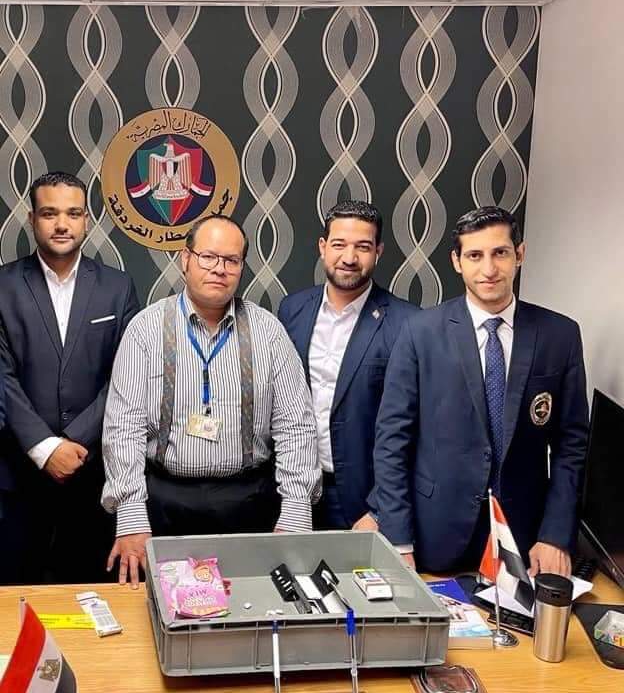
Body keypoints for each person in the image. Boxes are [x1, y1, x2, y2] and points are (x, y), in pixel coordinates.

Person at [102, 214, 321, 587]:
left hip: (249, 504)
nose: (219, 268)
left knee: (252, 607)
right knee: (162, 609)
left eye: (231, 260)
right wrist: (131, 515)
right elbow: (123, 427)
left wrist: (296, 510)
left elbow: (295, 426)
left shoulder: (269, 331)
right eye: (208, 257)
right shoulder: (145, 329)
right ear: (185, 259)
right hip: (164, 504)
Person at [373, 206, 588, 576]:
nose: (488, 269)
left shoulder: (560, 336)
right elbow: (391, 441)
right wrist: (398, 541)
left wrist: (555, 535)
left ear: (519, 254)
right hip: (434, 535)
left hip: (525, 539)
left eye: (499, 252)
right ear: (457, 262)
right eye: (475, 255)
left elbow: (572, 444)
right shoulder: (420, 333)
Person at [0, 172, 139, 584]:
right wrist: (45, 448)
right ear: (32, 219)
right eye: (50, 213)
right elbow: (1, 376)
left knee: (92, 600)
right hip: (18, 479)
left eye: (73, 213)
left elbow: (127, 375)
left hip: (91, 476)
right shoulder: (2, 286)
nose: (62, 224)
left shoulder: (117, 287)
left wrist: (75, 440)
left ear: (86, 220)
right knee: (14, 599)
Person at [278, 201, 418, 529]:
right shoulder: (291, 309)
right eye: (339, 244)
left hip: (363, 500)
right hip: (293, 489)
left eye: (363, 247)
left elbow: (417, 428)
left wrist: (379, 508)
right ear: (323, 247)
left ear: (378, 252)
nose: (349, 257)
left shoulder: (408, 323)